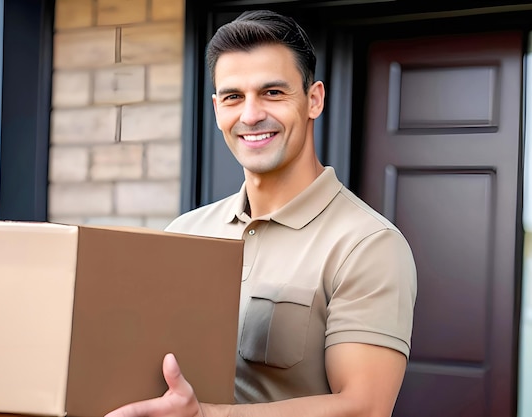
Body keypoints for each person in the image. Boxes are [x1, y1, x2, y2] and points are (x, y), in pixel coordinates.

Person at [105, 9, 417, 417]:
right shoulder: (184, 231)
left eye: (272, 93)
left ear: (314, 100)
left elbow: (363, 408)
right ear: (217, 109)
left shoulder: (367, 245)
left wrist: (208, 416)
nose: (251, 115)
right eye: (234, 97)